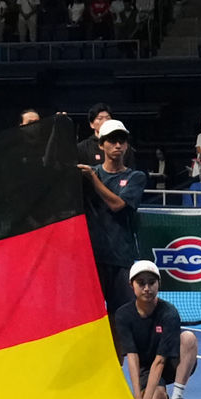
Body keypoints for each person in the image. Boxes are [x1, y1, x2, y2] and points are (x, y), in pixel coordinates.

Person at [78, 119, 147, 339]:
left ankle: (117, 368)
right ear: (101, 145)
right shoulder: (87, 174)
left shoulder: (135, 177)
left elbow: (118, 205)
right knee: (89, 320)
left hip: (121, 259)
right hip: (92, 260)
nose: (117, 145)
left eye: (122, 141)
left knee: (120, 320)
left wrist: (93, 179)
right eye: (112, 141)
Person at [115, 261, 198, 399]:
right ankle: (162, 396)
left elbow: (160, 361)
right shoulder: (123, 315)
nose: (147, 288)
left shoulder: (169, 313)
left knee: (188, 338)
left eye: (151, 283)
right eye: (141, 283)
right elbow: (132, 357)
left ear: (159, 284)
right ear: (131, 284)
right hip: (145, 367)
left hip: (171, 362)